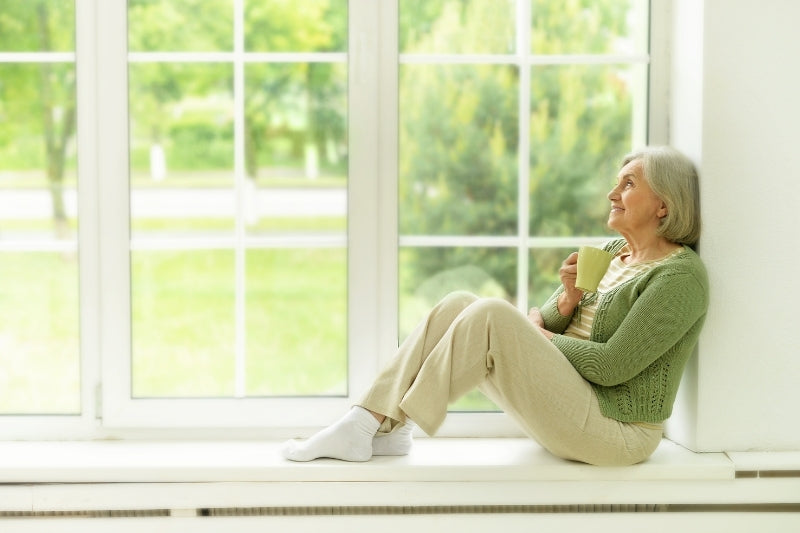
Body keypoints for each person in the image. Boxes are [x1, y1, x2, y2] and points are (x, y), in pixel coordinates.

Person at [281, 146, 708, 466]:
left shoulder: (680, 277)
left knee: (491, 313)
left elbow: (612, 365)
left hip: (616, 431)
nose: (613, 193)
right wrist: (568, 300)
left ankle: (363, 426)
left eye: (629, 184)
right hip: (572, 403)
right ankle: (385, 425)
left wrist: (536, 334)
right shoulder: (614, 251)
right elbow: (545, 319)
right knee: (459, 303)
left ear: (664, 204)